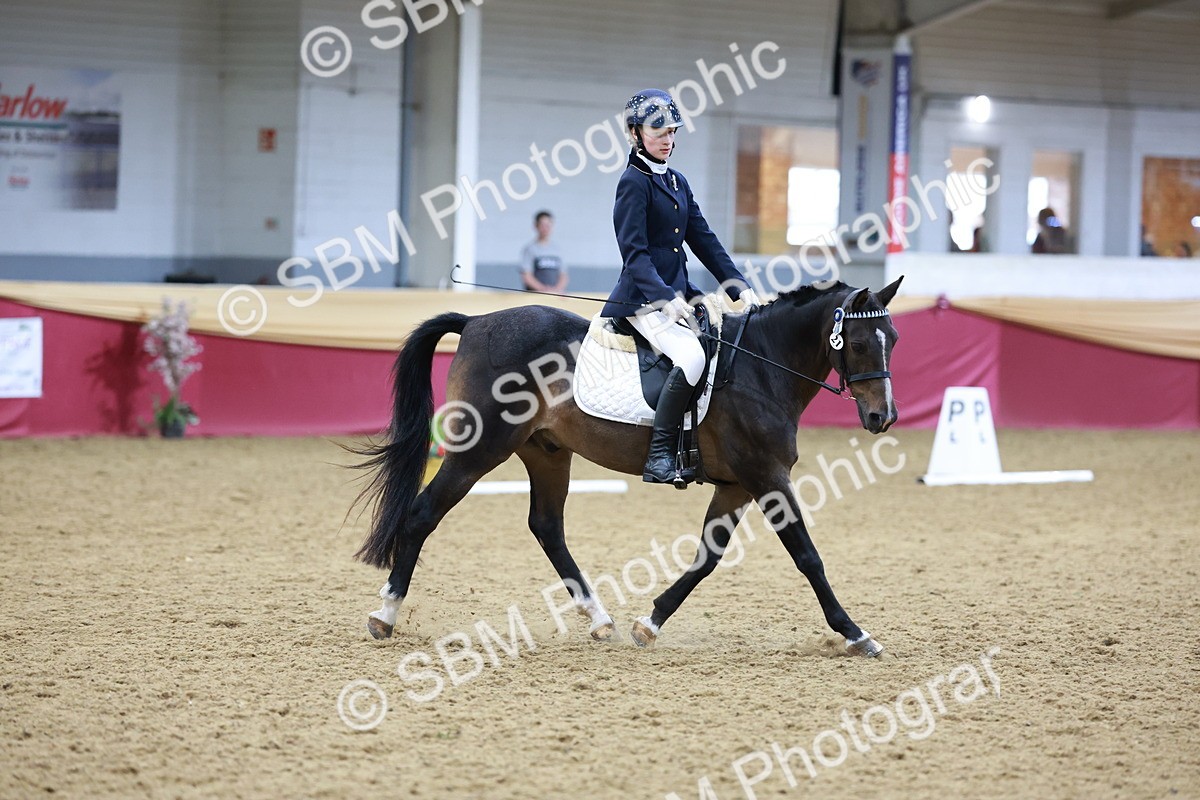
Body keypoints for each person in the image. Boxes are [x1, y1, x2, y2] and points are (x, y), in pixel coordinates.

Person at [601, 88, 761, 484]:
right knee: (690, 357)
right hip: (641, 300)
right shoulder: (633, 183)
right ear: (635, 134)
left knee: (721, 342)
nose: (668, 141)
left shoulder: (677, 181)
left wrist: (736, 285)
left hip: (679, 292)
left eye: (672, 133)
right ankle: (659, 456)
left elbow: (703, 238)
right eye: (659, 133)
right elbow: (634, 254)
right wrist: (663, 298)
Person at [519, 210, 567, 293]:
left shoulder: (557, 250)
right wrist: (542, 289)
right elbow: (526, 275)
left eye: (548, 225)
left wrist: (557, 290)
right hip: (535, 296)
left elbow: (563, 275)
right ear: (536, 226)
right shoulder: (530, 249)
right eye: (542, 225)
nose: (545, 228)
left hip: (555, 295)